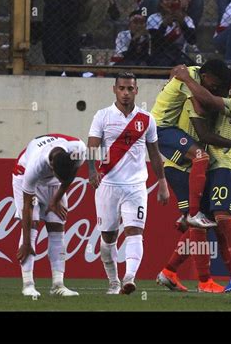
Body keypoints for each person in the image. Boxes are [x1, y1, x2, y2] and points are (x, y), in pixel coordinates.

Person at [155, 69, 231, 293]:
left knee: (214, 222)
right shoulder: (197, 98)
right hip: (185, 167)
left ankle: (172, 271)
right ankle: (209, 279)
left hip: (223, 166)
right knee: (212, 221)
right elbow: (206, 133)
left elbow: (210, 106)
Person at [88, 72, 170, 295]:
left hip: (135, 186)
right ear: (114, 89)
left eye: (130, 89)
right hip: (108, 185)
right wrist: (91, 171)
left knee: (134, 232)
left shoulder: (146, 119)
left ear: (136, 91)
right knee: (108, 237)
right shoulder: (102, 116)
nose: (126, 93)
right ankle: (113, 281)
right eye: (122, 88)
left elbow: (154, 153)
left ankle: (129, 278)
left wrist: (162, 183)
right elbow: (93, 145)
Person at [151, 59, 231, 229]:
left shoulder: (191, 71)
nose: (214, 88)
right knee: (200, 157)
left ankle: (187, 214)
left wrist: (171, 82)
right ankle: (193, 214)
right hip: (161, 129)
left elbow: (176, 68)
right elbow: (203, 108)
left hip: (168, 128)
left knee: (200, 160)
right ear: (205, 76)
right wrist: (185, 80)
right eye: (214, 84)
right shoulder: (189, 79)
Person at [13, 134, 86, 297]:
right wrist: (25, 243)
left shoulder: (78, 149)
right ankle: (28, 284)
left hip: (53, 183)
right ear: (52, 167)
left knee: (57, 225)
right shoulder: (34, 166)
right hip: (22, 175)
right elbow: (27, 207)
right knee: (32, 225)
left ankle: (58, 285)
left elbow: (71, 174)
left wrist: (56, 199)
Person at [146, 0, 197, 66]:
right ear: (161, 3)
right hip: (159, 56)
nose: (171, 2)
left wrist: (182, 23)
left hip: (179, 56)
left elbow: (192, 40)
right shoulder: (154, 18)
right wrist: (164, 25)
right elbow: (155, 43)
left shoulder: (187, 19)